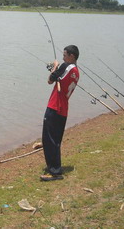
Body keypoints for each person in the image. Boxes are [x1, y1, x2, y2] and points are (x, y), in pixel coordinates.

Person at [40, 45, 79, 181]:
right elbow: (59, 81)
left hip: (55, 107)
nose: (63, 57)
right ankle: (55, 167)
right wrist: (56, 72)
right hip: (63, 109)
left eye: (65, 55)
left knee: (49, 139)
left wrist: (55, 67)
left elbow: (50, 80)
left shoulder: (66, 67)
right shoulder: (76, 72)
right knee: (55, 140)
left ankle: (54, 171)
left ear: (71, 56)